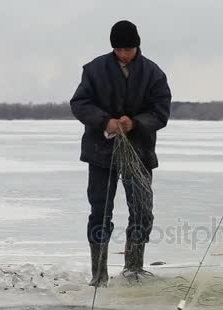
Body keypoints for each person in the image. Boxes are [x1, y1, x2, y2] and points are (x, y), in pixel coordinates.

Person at [70, 20, 172, 287]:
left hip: (139, 152)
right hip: (100, 153)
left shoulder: (153, 74)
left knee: (141, 210)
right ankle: (99, 274)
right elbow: (80, 103)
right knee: (100, 211)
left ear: (137, 46)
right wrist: (106, 121)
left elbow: (161, 112)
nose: (123, 54)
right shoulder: (94, 70)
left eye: (128, 49)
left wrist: (134, 123)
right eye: (119, 49)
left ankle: (133, 270)